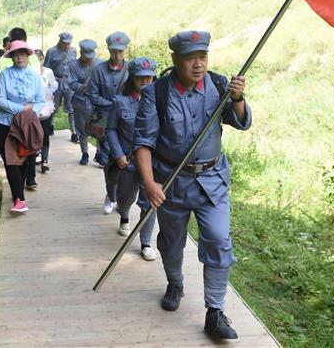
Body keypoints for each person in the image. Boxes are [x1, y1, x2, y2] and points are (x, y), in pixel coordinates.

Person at [133, 30, 251, 340]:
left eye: (202, 57)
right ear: (175, 60)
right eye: (190, 58)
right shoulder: (156, 93)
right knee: (171, 243)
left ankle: (215, 310)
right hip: (172, 179)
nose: (198, 65)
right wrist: (149, 183)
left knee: (218, 239)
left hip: (212, 180)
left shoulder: (219, 85)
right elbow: (143, 143)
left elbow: (240, 122)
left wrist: (237, 98)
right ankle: (175, 282)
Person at [105, 56, 158, 261]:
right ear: (132, 78)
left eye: (149, 77)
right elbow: (110, 129)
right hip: (127, 162)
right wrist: (118, 155)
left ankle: (146, 243)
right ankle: (124, 217)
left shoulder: (160, 102)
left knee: (150, 202)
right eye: (140, 78)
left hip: (152, 163)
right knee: (126, 197)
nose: (145, 82)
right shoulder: (120, 102)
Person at [0, 40, 45, 213]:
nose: (19, 57)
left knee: (23, 159)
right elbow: (0, 100)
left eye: (22, 54)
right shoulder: (5, 75)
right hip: (5, 124)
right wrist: (22, 110)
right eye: (16, 54)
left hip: (26, 126)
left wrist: (29, 115)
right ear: (12, 57)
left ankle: (18, 192)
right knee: (10, 162)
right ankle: (20, 200)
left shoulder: (35, 76)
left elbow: (39, 100)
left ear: (27, 56)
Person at [88, 31, 132, 213]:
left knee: (127, 162)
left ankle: (123, 199)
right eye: (114, 51)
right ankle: (111, 196)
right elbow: (93, 95)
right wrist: (112, 103)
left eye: (120, 52)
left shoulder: (131, 70)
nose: (117, 55)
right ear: (109, 50)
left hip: (127, 124)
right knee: (108, 161)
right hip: (105, 122)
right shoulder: (98, 69)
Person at [65, 39, 100, 166]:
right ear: (81, 53)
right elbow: (71, 83)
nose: (89, 59)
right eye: (86, 57)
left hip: (97, 102)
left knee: (99, 128)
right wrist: (82, 87)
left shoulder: (99, 64)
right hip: (80, 101)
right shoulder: (74, 66)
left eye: (91, 56)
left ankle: (99, 153)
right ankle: (84, 153)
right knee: (82, 128)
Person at [43, 32, 78, 143]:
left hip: (69, 82)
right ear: (60, 42)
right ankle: (49, 126)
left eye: (69, 43)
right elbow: (46, 69)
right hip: (56, 81)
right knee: (53, 106)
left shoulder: (73, 51)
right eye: (65, 43)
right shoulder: (51, 51)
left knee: (72, 108)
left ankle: (74, 132)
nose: (67, 46)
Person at [34, 49, 58, 173]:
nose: (38, 61)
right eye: (35, 58)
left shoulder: (48, 72)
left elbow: (54, 85)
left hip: (47, 107)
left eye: (40, 58)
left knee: (45, 133)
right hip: (33, 108)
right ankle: (36, 154)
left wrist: (48, 92)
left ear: (43, 59)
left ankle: (45, 159)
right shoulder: (29, 72)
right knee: (35, 134)